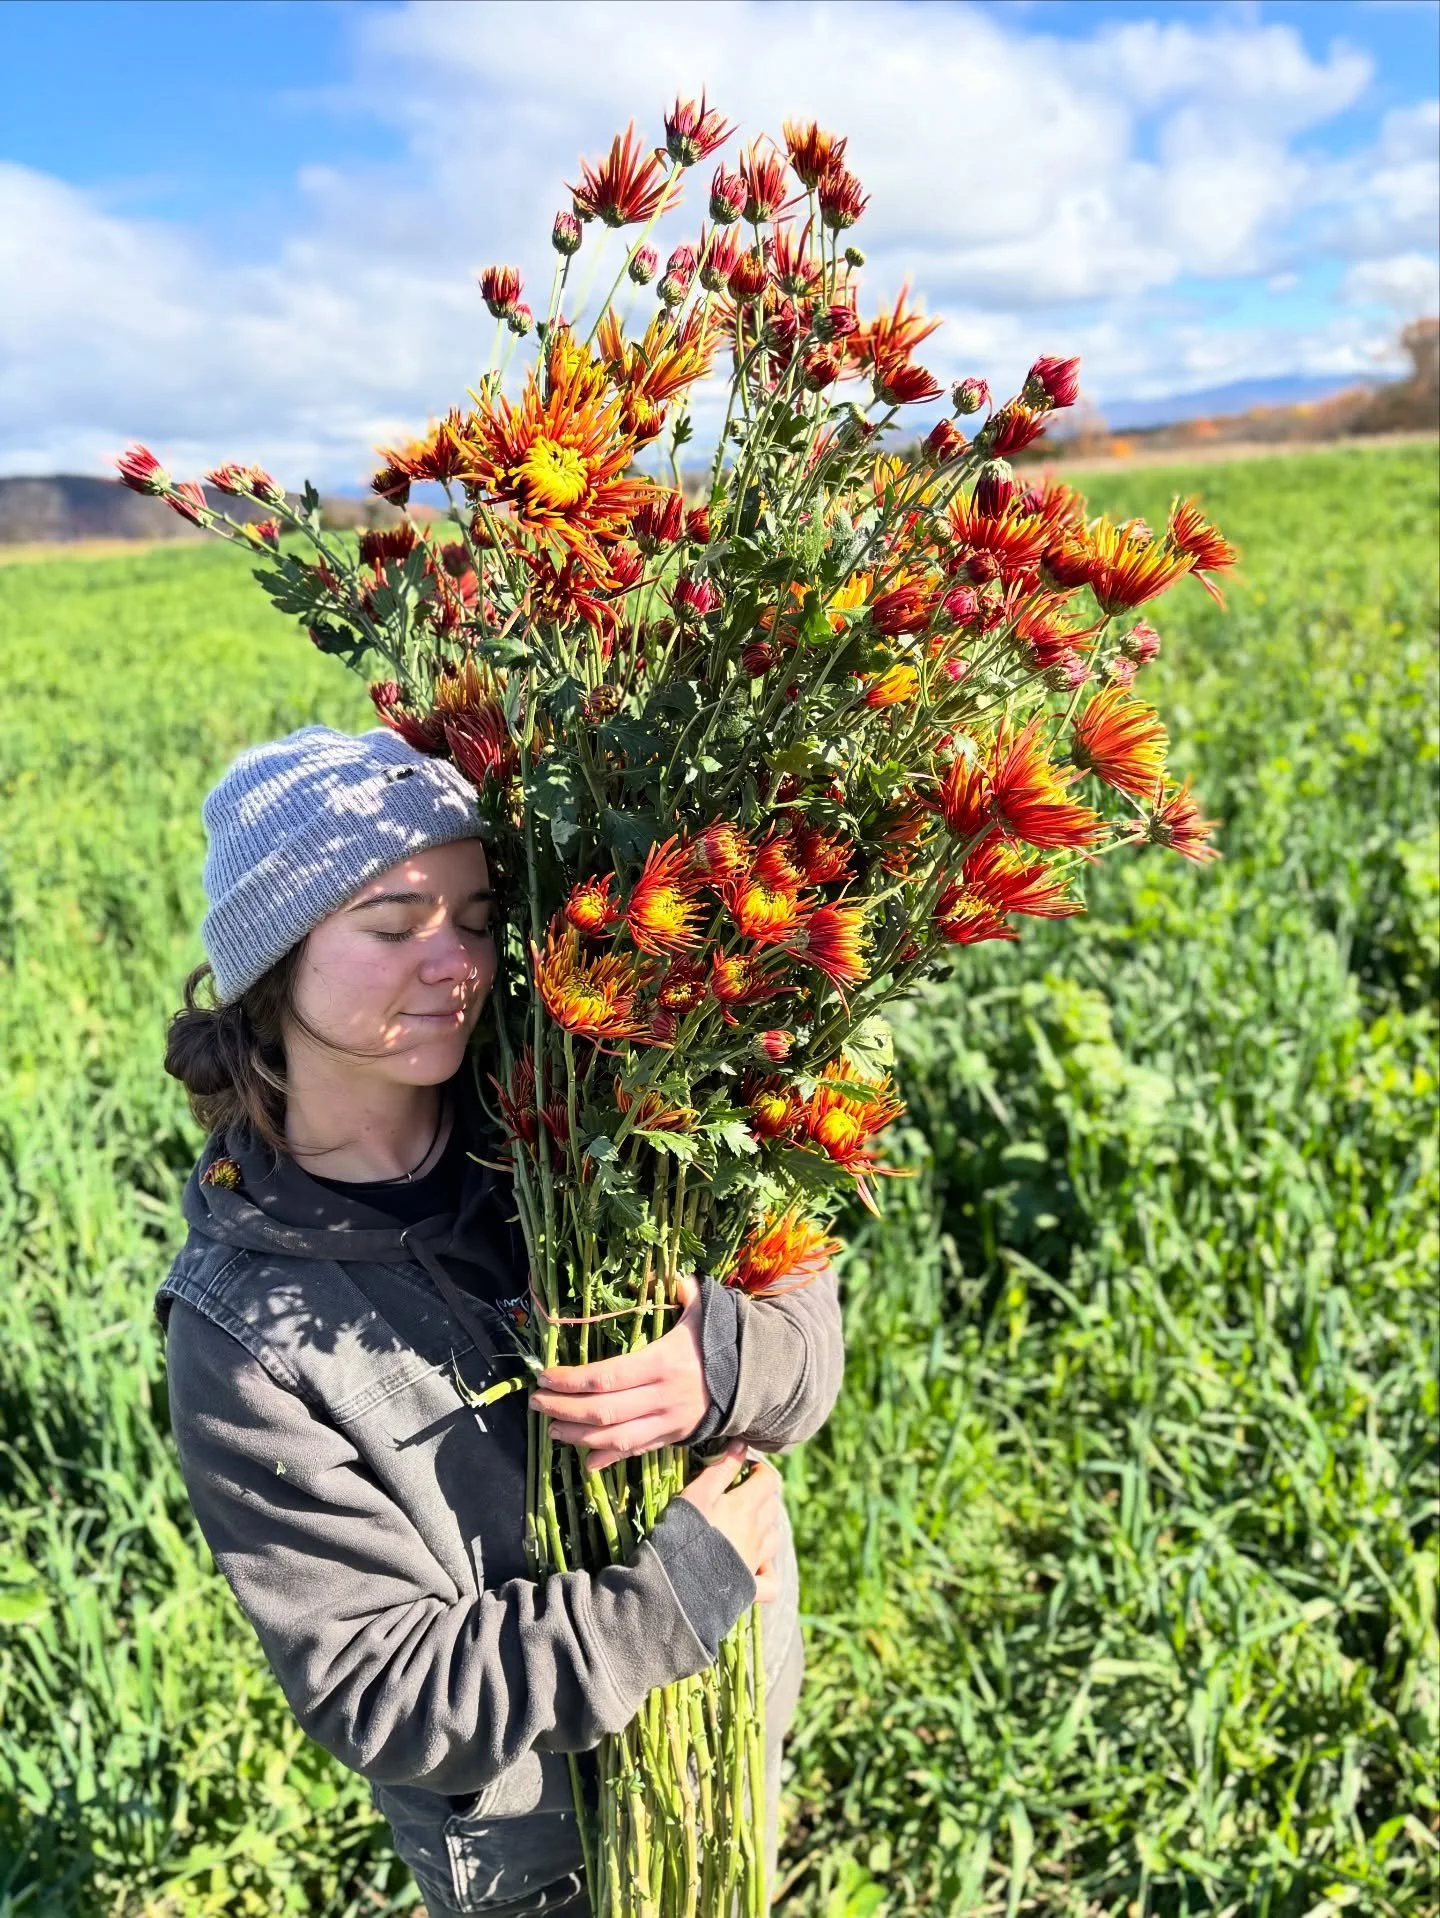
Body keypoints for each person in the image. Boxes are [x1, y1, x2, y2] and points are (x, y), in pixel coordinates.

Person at [156, 724, 846, 1917]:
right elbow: (379, 1688)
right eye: (392, 923)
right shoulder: (242, 1334)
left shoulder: (596, 1104)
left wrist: (726, 1365)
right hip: (543, 1851)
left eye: (475, 918)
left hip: (737, 1710)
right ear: (274, 961)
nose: (456, 965)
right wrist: (663, 1602)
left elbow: (806, 1305)